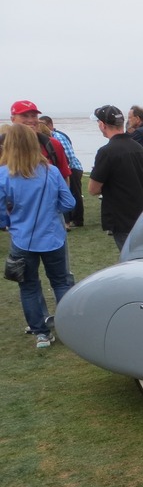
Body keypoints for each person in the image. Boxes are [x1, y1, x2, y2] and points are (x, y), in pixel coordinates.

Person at [0, 124, 76, 348]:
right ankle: (70, 327)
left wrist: (8, 223)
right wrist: (51, 209)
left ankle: (41, 333)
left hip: (23, 239)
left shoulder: (4, 174)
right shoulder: (50, 171)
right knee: (61, 282)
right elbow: (69, 202)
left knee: (29, 286)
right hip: (52, 237)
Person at [88, 105, 143, 251]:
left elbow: (93, 189)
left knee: (130, 260)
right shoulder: (139, 148)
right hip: (140, 214)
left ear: (102, 125)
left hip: (120, 218)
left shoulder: (106, 152)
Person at [8, 100, 71, 182]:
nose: (30, 120)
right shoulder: (3, 145)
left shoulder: (52, 144)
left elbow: (64, 177)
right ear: (12, 119)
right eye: (24, 116)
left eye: (34, 116)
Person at [39, 116, 84, 227]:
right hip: (64, 169)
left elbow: (68, 155)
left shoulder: (58, 137)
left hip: (72, 168)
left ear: (50, 124)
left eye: (43, 124)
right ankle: (70, 220)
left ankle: (77, 220)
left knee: (74, 194)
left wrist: (63, 169)